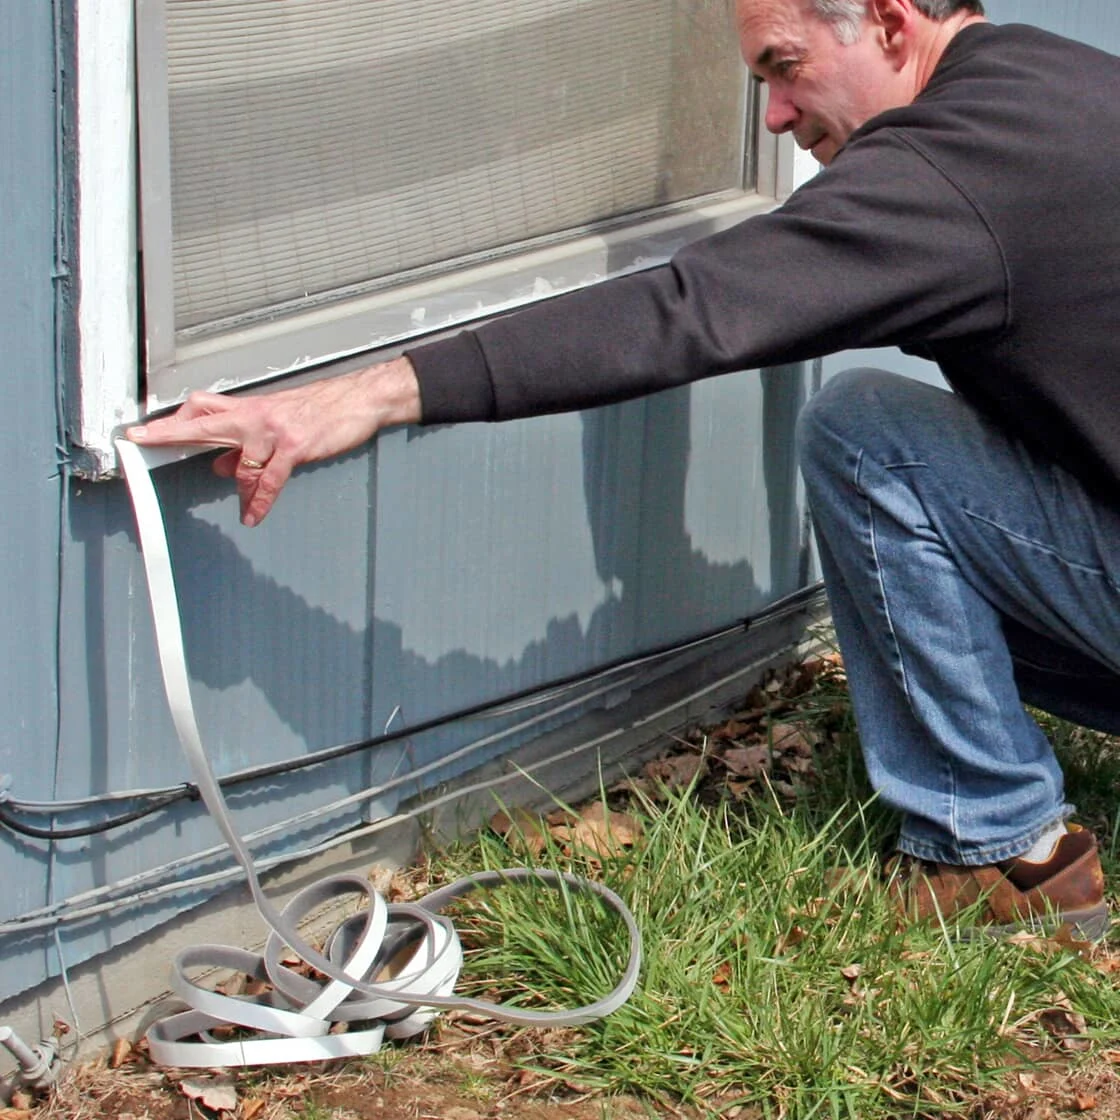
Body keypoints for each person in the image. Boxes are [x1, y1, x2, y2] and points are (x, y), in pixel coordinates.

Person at [128, 0, 1120, 937]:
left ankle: (1001, 854)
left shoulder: (950, 173)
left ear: (891, 21)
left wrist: (366, 393)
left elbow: (689, 310)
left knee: (869, 438)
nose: (773, 115)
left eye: (785, 68)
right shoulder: (1062, 82)